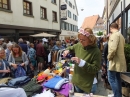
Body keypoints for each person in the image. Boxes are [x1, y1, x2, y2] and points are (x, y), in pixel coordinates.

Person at [63, 28, 101, 93]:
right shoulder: (79, 45)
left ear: (90, 39)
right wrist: (67, 50)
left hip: (89, 84)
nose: (81, 41)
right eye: (80, 39)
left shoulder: (96, 51)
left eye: (83, 40)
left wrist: (82, 63)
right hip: (77, 82)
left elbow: (95, 69)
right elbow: (71, 47)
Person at [107, 23, 126, 97]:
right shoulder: (121, 36)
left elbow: (113, 48)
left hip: (114, 61)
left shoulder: (114, 35)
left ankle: (117, 95)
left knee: (111, 78)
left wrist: (109, 57)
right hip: (119, 61)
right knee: (117, 78)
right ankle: (118, 94)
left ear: (111, 28)